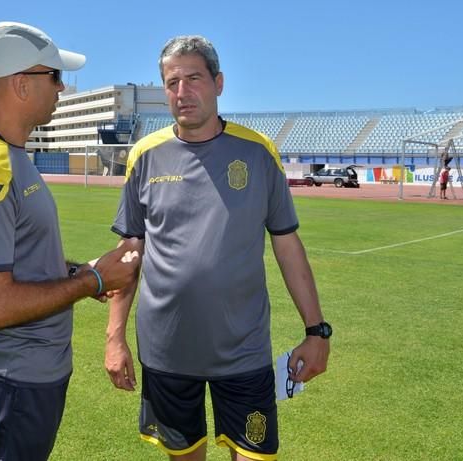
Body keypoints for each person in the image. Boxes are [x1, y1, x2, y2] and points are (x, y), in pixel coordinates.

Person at [104, 35, 331, 461]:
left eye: (193, 78)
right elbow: (129, 252)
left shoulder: (258, 152)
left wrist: (316, 330)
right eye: (172, 83)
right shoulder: (144, 155)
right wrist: (114, 338)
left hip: (242, 352)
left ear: (218, 83)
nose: (182, 92)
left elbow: (287, 244)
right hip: (166, 351)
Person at [0, 21, 140, 461]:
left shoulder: (11, 158)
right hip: (14, 376)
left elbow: (18, 261)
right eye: (54, 75)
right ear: (20, 84)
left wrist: (78, 271)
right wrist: (90, 281)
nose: (62, 87)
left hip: (28, 372)